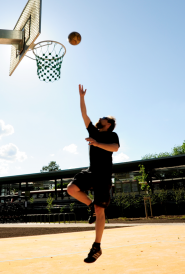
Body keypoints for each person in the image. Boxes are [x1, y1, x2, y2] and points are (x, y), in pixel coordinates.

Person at [67, 84, 120, 263]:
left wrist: (97, 144)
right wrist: (82, 97)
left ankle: (96, 246)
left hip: (104, 176)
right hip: (91, 172)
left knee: (101, 209)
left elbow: (115, 148)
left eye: (104, 117)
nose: (101, 118)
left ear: (110, 124)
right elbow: (84, 115)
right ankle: (90, 206)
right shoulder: (94, 131)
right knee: (71, 189)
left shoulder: (112, 136)